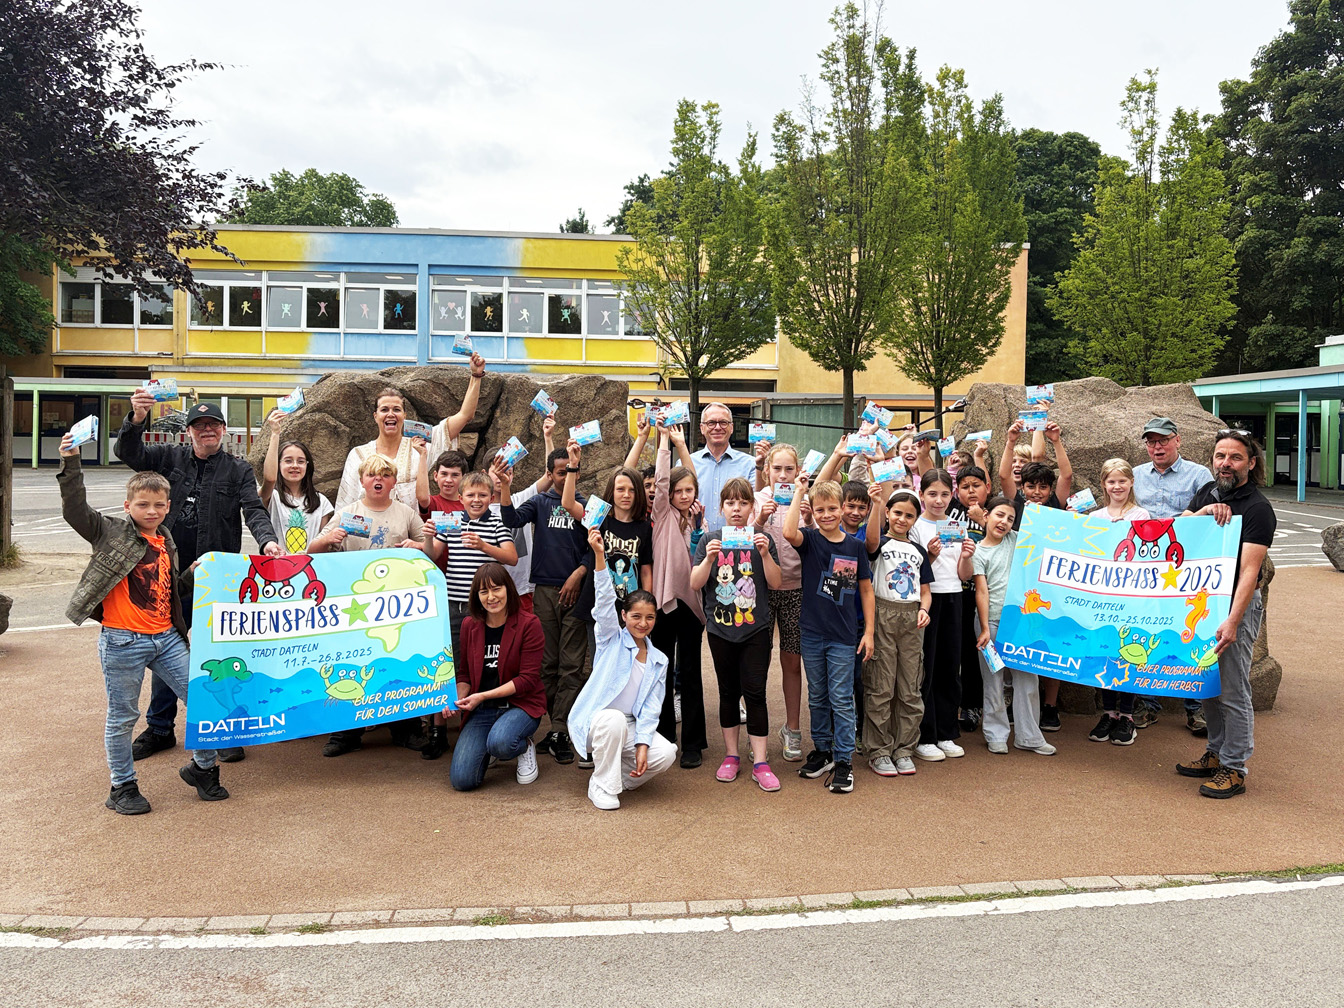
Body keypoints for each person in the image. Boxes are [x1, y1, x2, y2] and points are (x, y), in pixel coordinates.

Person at [57, 435, 228, 814]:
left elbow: (168, 590)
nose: (151, 511)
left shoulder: (166, 539)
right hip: (123, 641)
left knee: (203, 699)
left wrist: (191, 574)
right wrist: (71, 463)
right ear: (128, 506)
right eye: (143, 504)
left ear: (168, 506)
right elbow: (75, 509)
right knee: (123, 717)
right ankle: (122, 786)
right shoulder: (109, 531)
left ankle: (202, 769)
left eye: (158, 505)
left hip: (166, 638)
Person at [114, 394, 280, 764]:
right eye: (200, 425)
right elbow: (128, 452)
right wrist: (138, 417)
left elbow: (254, 509)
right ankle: (160, 727)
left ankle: (223, 730)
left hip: (216, 578)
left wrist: (267, 541)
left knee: (218, 655)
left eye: (214, 425)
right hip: (170, 576)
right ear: (188, 431)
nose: (207, 430)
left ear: (223, 430)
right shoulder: (168, 458)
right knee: (167, 649)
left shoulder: (238, 470)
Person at [309, 453, 431, 757]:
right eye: (372, 475)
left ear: (393, 482)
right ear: (362, 480)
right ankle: (345, 733)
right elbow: (312, 550)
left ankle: (405, 728)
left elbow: (429, 551)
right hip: (355, 604)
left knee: (398, 662)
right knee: (350, 664)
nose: (379, 480)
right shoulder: (347, 512)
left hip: (396, 606)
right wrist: (329, 538)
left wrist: (416, 545)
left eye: (385, 475)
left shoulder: (405, 513)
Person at [1175, 429, 1275, 799]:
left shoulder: (1258, 508)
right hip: (1204, 603)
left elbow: (1249, 572)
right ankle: (1215, 752)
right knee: (1207, 684)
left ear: (1251, 463)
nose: (1226, 463)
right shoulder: (1208, 492)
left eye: (1235, 457)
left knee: (1233, 687)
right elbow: (1179, 531)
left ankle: (1234, 767)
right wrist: (1202, 512)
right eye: (1220, 456)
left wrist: (1233, 621)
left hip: (1235, 606)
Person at [568, 530, 677, 810]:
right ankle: (601, 785)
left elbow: (651, 708)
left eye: (650, 617)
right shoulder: (610, 639)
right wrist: (599, 556)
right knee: (614, 720)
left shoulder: (659, 660)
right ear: (624, 616)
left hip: (629, 725)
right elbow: (604, 601)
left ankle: (618, 779)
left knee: (666, 753)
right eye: (636, 616)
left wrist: (642, 744)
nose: (643, 623)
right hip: (598, 720)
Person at [497, 449, 591, 765]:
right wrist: (506, 486)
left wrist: (579, 574)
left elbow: (596, 546)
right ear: (550, 474)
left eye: (571, 471)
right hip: (545, 592)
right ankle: (558, 726)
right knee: (547, 664)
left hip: (576, 593)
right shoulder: (539, 502)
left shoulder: (585, 505)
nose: (565, 477)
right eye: (560, 472)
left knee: (572, 664)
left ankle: (560, 729)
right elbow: (510, 519)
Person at [691, 478, 784, 790]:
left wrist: (766, 554)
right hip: (720, 629)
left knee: (756, 692)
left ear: (751, 507)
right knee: (728, 692)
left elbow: (776, 583)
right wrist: (708, 559)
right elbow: (694, 583)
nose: (736, 509)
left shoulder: (761, 539)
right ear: (721, 507)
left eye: (743, 503)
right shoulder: (710, 540)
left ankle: (761, 762)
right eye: (730, 503)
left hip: (756, 629)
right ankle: (731, 756)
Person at [783, 478, 874, 794]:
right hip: (811, 632)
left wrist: (870, 632)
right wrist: (799, 492)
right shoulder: (809, 540)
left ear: (843, 508)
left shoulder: (855, 547)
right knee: (817, 695)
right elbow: (788, 532)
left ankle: (844, 760)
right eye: (819, 510)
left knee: (841, 698)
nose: (826, 515)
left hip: (843, 636)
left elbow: (866, 590)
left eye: (832, 508)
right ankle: (822, 750)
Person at [1132, 417, 1215, 735]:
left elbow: (1210, 518)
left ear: (1177, 440)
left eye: (1163, 440)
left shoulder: (1200, 475)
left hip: (1186, 569)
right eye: (1151, 441)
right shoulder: (1135, 475)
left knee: (1190, 632)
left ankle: (1196, 708)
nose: (1157, 446)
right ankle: (1148, 704)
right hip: (1145, 571)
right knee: (1145, 632)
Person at [445, 564, 547, 792]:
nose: (491, 597)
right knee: (462, 780)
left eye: (496, 589)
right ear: (476, 596)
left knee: (501, 743)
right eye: (484, 591)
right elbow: (464, 674)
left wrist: (482, 695)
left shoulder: (529, 624)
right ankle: (491, 743)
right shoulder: (469, 625)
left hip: (520, 706)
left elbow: (527, 679)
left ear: (508, 589)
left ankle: (523, 745)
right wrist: (455, 700)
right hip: (483, 709)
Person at [973, 495, 1056, 756]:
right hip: (990, 622)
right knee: (993, 680)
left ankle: (1029, 736)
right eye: (999, 515)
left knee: (1028, 678)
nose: (1004, 522)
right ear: (986, 516)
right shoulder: (977, 551)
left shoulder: (1016, 540)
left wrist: (1037, 515)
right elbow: (981, 591)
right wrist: (984, 628)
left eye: (1010, 518)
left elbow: (1042, 539)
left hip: (1020, 622)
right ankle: (995, 734)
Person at [862, 483, 933, 777]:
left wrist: (924, 609)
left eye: (909, 515)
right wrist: (877, 503)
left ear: (916, 519)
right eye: (898, 513)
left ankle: (904, 749)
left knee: (910, 687)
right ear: (889, 513)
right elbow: (869, 543)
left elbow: (926, 591)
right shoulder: (879, 544)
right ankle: (879, 750)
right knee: (881, 686)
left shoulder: (918, 551)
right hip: (883, 614)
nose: (902, 519)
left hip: (911, 619)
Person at [1082, 457, 1153, 746]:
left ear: (1131, 483)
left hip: (1131, 598)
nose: (1117, 486)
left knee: (1128, 655)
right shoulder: (1095, 517)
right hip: (1102, 599)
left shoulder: (1142, 515)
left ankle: (1128, 716)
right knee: (1106, 653)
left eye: (1122, 481)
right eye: (1111, 481)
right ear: (1103, 484)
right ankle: (1109, 713)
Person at [650, 421, 708, 767]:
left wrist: (682, 445)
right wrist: (664, 442)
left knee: (690, 673)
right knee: (662, 671)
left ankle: (693, 744)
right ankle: (664, 736)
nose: (684, 495)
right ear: (669, 495)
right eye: (678, 491)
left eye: (689, 490)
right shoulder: (663, 515)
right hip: (664, 603)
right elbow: (660, 481)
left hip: (692, 605)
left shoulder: (698, 520)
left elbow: (693, 479)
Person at [911, 469, 976, 762]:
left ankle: (947, 732)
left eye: (945, 494)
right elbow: (914, 571)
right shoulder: (916, 526)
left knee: (950, 666)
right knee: (927, 666)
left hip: (954, 597)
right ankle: (925, 735)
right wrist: (931, 555)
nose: (939, 500)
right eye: (932, 494)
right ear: (921, 495)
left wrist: (966, 556)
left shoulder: (957, 526)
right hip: (927, 599)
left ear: (953, 495)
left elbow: (964, 574)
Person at [751, 442, 810, 762]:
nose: (783, 475)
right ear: (767, 471)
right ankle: (757, 732)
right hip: (760, 590)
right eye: (777, 469)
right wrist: (760, 519)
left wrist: (810, 521)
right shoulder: (757, 499)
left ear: (798, 471)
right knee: (756, 662)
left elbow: (817, 542)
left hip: (796, 590)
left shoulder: (805, 499)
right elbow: (742, 541)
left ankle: (792, 729)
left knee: (791, 661)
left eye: (789, 469)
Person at [561, 443, 653, 611]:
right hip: (598, 604)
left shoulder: (645, 527)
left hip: (630, 608)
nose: (626, 495)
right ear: (612, 491)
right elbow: (568, 504)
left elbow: (646, 570)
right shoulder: (599, 517)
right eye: (620, 489)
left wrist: (646, 605)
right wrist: (573, 466)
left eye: (632, 490)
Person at [334, 386, 435, 511]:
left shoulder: (420, 449)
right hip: (368, 522)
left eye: (396, 409)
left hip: (409, 522)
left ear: (404, 415)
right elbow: (346, 503)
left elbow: (449, 430)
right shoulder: (357, 454)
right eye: (384, 409)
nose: (390, 414)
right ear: (375, 416)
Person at [947, 464, 989, 734]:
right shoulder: (951, 509)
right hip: (952, 592)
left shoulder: (994, 511)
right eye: (965, 487)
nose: (971, 491)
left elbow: (1007, 540)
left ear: (987, 487)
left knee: (974, 653)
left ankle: (972, 705)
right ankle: (949, 706)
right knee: (952, 651)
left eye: (976, 485)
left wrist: (983, 521)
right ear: (957, 491)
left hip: (981, 595)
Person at [259, 410, 333, 554]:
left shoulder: (321, 502)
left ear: (307, 465)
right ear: (278, 464)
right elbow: (269, 479)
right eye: (288, 461)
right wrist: (275, 433)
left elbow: (323, 545)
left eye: (300, 461)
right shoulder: (272, 497)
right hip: (275, 564)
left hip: (309, 565)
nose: (294, 466)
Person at [691, 402, 755, 533]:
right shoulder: (687, 464)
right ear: (702, 428)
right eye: (711, 423)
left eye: (723, 423)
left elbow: (756, 506)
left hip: (738, 542)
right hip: (696, 541)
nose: (717, 427)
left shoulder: (750, 465)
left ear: (731, 428)